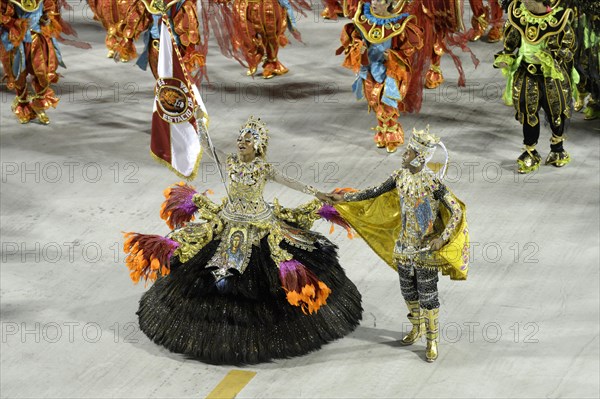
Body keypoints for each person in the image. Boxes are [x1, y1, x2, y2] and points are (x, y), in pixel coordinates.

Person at [122, 116, 362, 364]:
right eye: (240, 139)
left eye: (248, 139)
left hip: (260, 224)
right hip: (227, 222)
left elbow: (292, 183)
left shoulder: (263, 169)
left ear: (258, 145)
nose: (241, 142)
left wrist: (319, 194)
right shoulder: (230, 161)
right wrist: (195, 119)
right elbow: (209, 145)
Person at [329, 127, 469, 362]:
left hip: (425, 250)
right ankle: (416, 328)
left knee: (429, 296)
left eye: (409, 152)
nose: (404, 155)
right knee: (408, 291)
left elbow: (456, 210)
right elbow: (372, 193)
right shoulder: (399, 177)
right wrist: (344, 198)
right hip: (403, 247)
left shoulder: (433, 184)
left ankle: (432, 340)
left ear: (420, 158)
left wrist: (441, 239)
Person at [495, 0, 578, 173]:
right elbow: (511, 43)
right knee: (528, 112)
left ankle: (557, 148)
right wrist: (506, 57)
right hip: (527, 73)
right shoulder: (519, 16)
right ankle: (530, 152)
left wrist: (551, 57)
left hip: (551, 76)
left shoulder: (559, 20)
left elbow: (569, 48)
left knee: (556, 111)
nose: (525, 2)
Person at [337, 0, 425, 152]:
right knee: (375, 100)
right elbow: (353, 37)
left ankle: (392, 135)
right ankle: (382, 133)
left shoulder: (400, 24)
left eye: (379, 0)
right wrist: (359, 47)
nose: (374, 3)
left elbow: (408, 49)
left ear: (389, 3)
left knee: (388, 102)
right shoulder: (364, 18)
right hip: (369, 67)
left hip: (390, 70)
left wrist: (392, 55)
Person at [0, 0, 66, 124]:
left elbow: (49, 5)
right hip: (18, 40)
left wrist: (47, 16)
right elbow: (3, 14)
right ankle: (23, 103)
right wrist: (15, 23)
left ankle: (39, 106)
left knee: (43, 72)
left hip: (39, 37)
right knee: (19, 74)